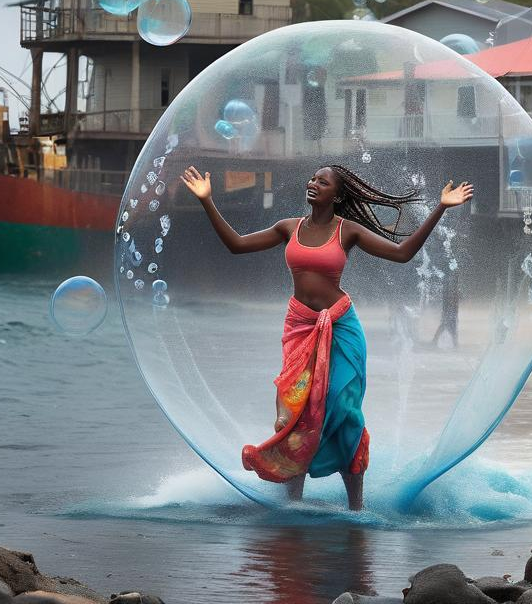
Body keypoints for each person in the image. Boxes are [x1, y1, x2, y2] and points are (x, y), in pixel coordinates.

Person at [180, 163, 472, 511]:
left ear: (337, 194)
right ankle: (294, 506)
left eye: (323, 181)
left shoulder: (347, 231)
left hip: (342, 329)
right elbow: (237, 245)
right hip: (299, 328)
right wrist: (207, 200)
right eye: (313, 179)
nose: (313, 184)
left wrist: (440, 206)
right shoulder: (288, 227)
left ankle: (356, 508)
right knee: (295, 412)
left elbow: (403, 253)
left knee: (344, 411)